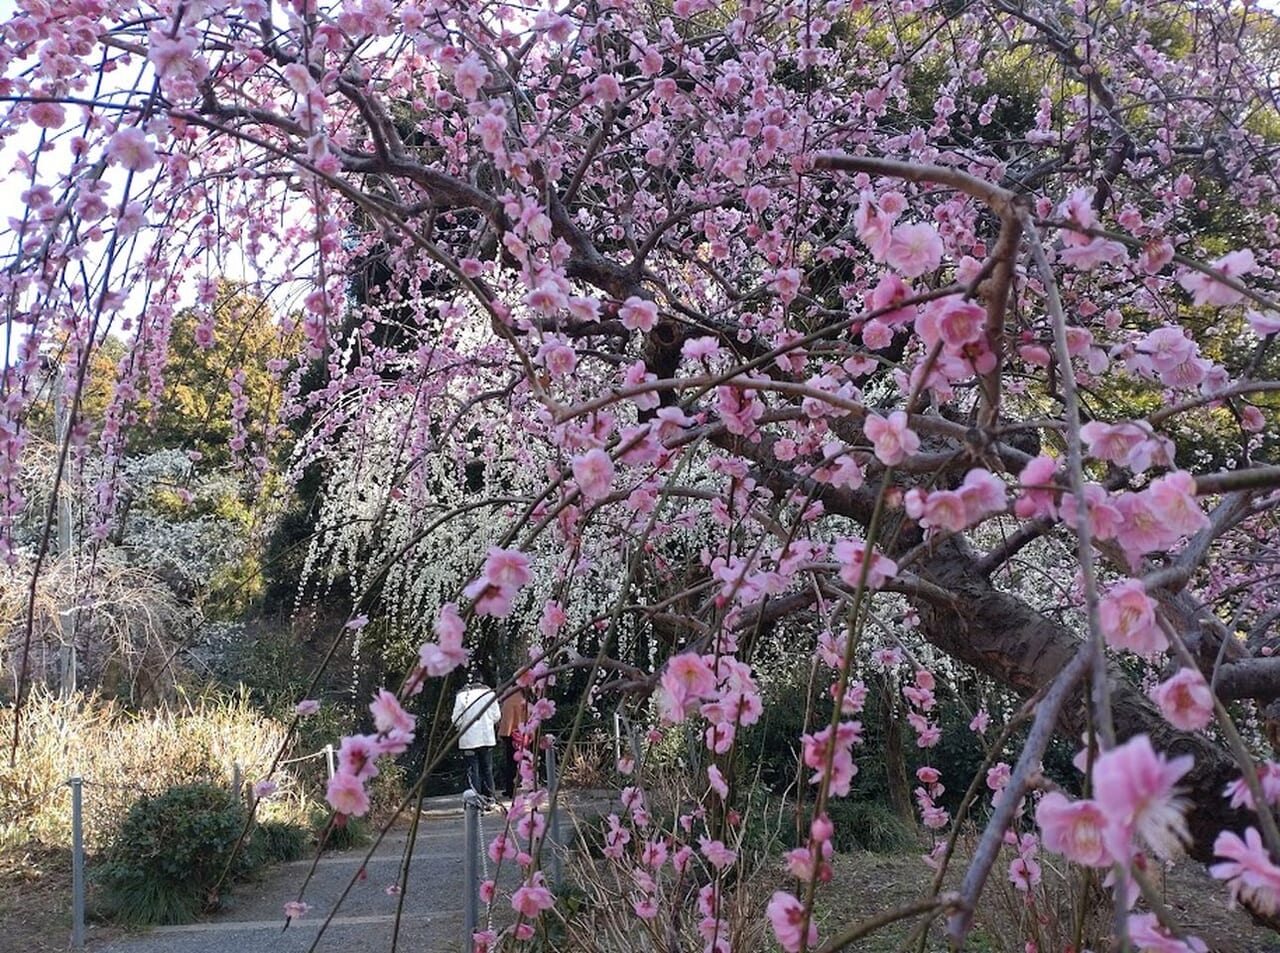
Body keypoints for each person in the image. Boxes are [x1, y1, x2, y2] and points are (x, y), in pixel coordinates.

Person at [452, 673, 501, 802]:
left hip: (469, 739)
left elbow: (456, 719)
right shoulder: (490, 694)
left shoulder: (462, 696)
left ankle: (476, 799)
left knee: (473, 771)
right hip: (486, 737)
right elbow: (497, 716)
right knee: (487, 769)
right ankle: (490, 796)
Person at [498, 686, 529, 798]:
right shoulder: (524, 696)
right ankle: (529, 786)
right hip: (523, 732)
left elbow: (505, 715)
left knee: (510, 761)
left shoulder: (509, 694)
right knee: (527, 760)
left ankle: (510, 789)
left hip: (509, 732)